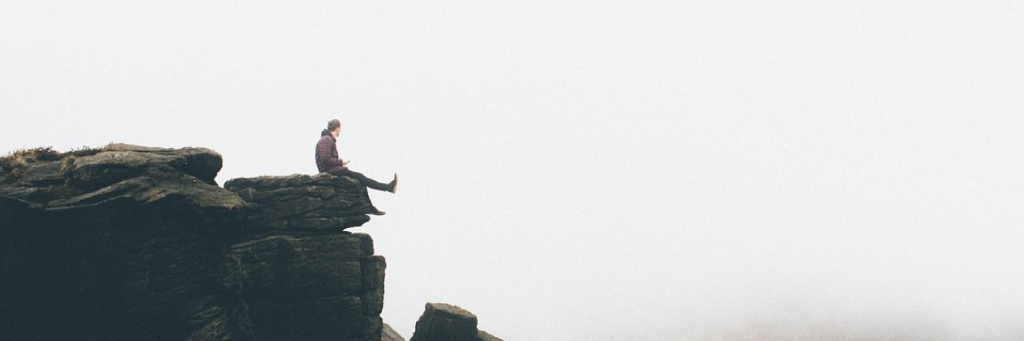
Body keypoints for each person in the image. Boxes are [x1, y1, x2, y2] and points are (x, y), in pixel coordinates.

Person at [316, 119, 397, 214]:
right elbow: (325, 158)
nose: (340, 132)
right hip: (331, 171)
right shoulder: (326, 139)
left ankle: (370, 207)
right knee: (361, 177)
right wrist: (341, 162)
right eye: (340, 129)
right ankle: (387, 188)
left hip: (332, 170)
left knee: (361, 180)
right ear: (337, 129)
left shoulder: (328, 139)